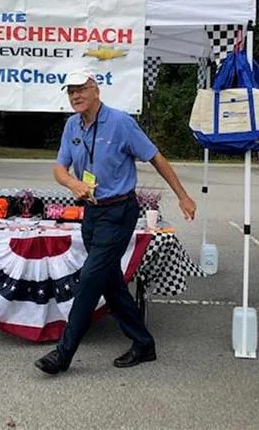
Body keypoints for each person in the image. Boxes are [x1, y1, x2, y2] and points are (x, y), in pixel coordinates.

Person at [34, 70, 196, 375]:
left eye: (81, 89)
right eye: (70, 91)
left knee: (89, 280)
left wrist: (183, 196)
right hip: (92, 213)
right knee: (110, 282)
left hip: (119, 212)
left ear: (96, 90)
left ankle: (63, 354)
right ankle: (143, 343)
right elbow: (59, 167)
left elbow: (156, 158)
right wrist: (72, 184)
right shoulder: (72, 125)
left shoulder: (121, 122)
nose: (75, 96)